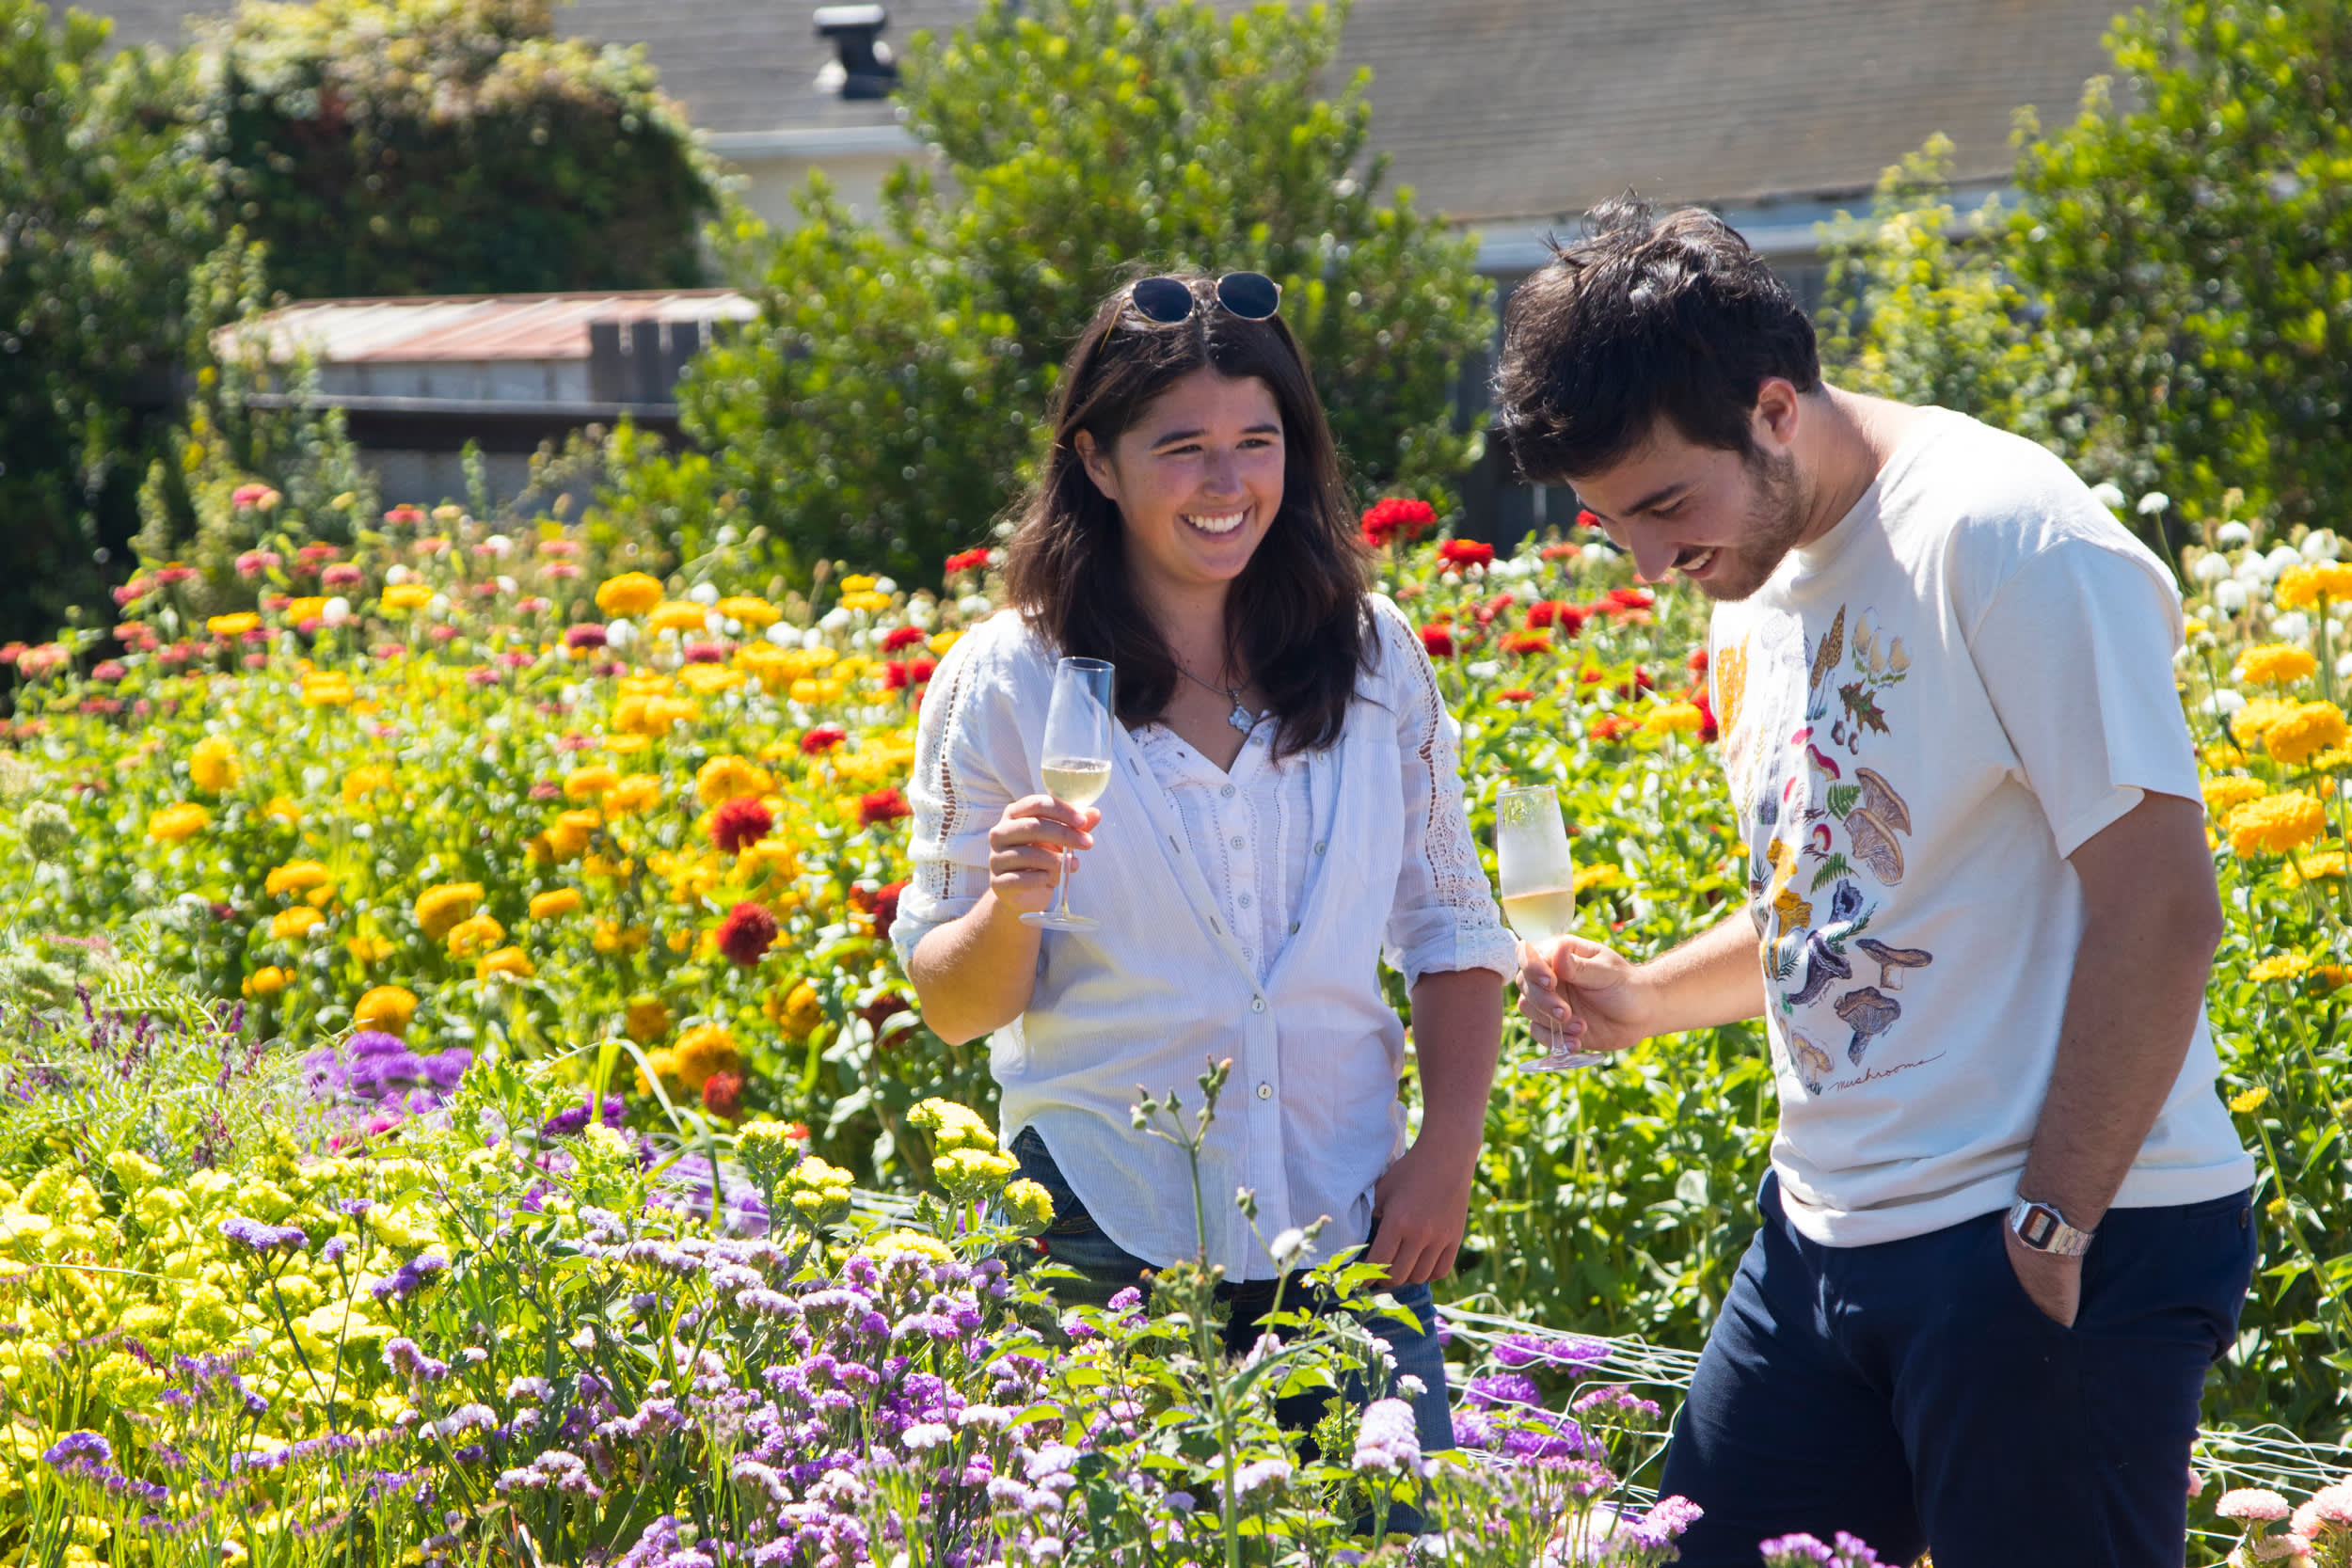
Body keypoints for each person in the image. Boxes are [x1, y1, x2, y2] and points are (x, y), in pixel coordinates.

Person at [1491, 199, 2257, 1565]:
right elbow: (1838, 902)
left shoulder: (2007, 536)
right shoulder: (1757, 577)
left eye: (1666, 505)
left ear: (1775, 406)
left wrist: (2045, 1228)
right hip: (1825, 1231)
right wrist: (1645, 997)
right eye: (1614, 526)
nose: (1654, 563)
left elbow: (2164, 905)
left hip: (2060, 1234)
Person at [891, 270, 1515, 1456]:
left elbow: (1453, 925)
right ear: (1096, 459)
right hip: (1096, 1231)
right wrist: (1012, 906)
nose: (1227, 483)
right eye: (1181, 446)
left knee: (1382, 1543)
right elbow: (958, 1008)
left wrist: (1446, 1154)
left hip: (1352, 1229)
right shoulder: (1006, 679)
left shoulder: (1373, 657)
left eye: (1257, 441)